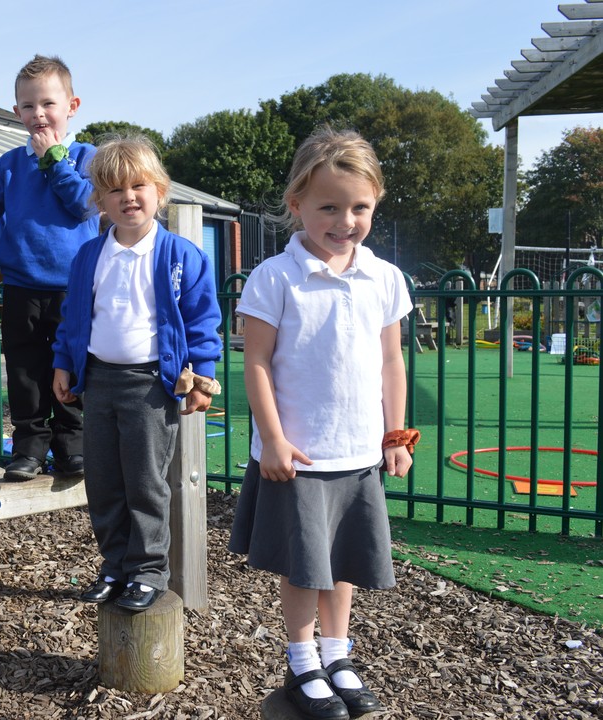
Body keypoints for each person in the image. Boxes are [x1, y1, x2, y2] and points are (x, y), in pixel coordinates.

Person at [228, 126, 419, 720]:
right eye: (328, 207)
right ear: (297, 206)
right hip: (301, 456)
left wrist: (396, 433)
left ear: (375, 205)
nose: (345, 220)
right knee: (306, 565)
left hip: (358, 451)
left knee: (344, 562)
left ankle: (338, 655)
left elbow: (391, 361)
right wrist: (274, 440)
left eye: (360, 207)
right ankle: (302, 659)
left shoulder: (384, 277)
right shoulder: (275, 277)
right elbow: (255, 362)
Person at [52, 135, 222, 612]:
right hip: (99, 382)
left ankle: (148, 569)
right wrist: (64, 363)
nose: (128, 197)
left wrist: (203, 376)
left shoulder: (179, 256)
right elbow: (74, 318)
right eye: (114, 190)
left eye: (138, 185)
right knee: (104, 480)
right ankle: (115, 565)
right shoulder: (90, 256)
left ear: (159, 190)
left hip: (150, 386)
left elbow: (203, 319)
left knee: (146, 482)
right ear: (99, 201)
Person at [0, 54, 100, 482]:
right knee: (24, 370)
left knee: (73, 366)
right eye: (27, 106)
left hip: (73, 287)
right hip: (21, 285)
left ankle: (72, 447)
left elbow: (82, 205)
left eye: (47, 104)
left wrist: (55, 159)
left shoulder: (86, 156)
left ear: (71, 106)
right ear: (16, 111)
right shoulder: (8, 164)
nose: (38, 114)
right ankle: (29, 448)